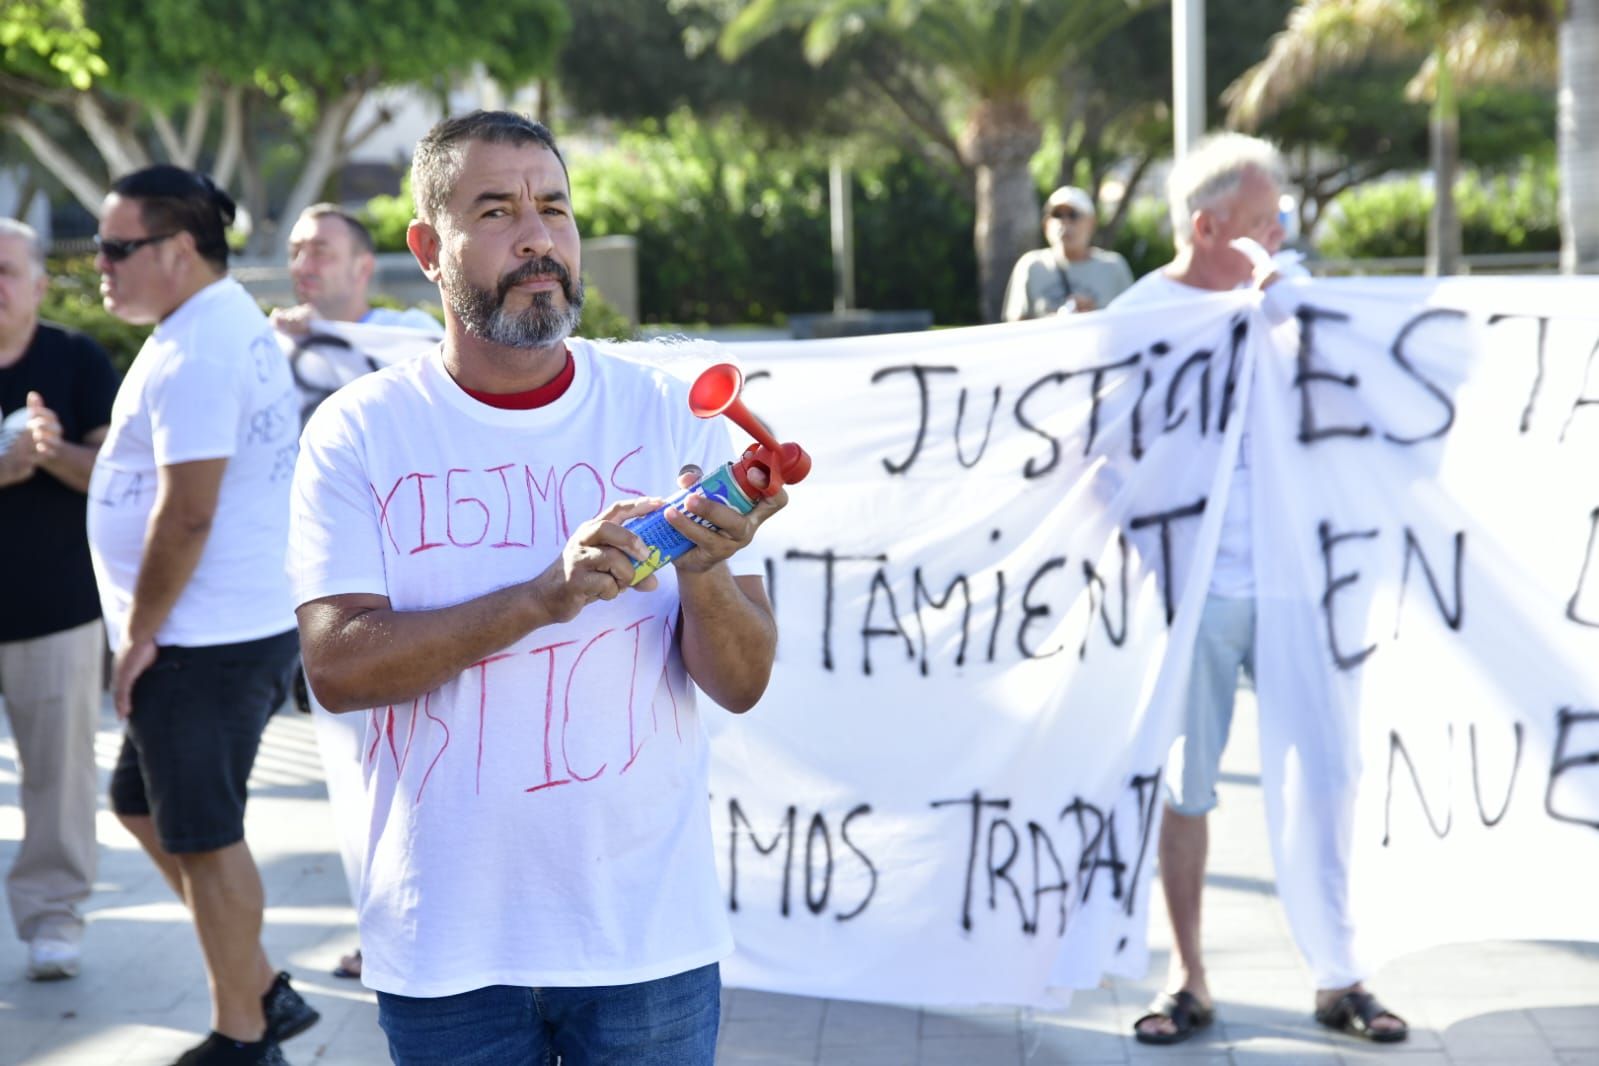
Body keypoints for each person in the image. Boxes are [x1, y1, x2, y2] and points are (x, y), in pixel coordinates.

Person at [289, 110, 784, 1066]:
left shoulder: (666, 411)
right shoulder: (358, 432)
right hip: (447, 947)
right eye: (498, 211)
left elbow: (744, 680)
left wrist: (705, 573)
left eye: (554, 208)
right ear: (429, 249)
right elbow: (337, 667)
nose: (537, 237)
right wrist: (542, 598)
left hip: (646, 940)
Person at [1110, 132, 1408, 1047]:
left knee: (1326, 776)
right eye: (1263, 219)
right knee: (1185, 785)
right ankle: (1187, 977)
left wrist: (1293, 315)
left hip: (1300, 589)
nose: (1280, 230)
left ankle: (1339, 974)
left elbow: (1369, 404)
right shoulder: (1136, 317)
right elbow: (1094, 456)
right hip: (1193, 596)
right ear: (1207, 227)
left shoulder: (1293, 304)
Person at [87, 165, 319, 1066]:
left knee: (208, 837)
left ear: (177, 251)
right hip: (222, 630)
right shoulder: (208, 324)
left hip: (200, 641)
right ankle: (259, 986)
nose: (100, 263)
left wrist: (140, 636)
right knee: (140, 801)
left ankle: (244, 1034)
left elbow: (187, 511)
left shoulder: (197, 349)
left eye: (117, 247)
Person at [0, 218, 118, 982]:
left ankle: (54, 919)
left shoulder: (75, 358)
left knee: (61, 777)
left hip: (58, 608)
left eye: (7, 270)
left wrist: (48, 452)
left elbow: (116, 475)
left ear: (41, 283)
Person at [269, 203, 441, 336]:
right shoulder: (277, 339)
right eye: (294, 253)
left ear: (363, 268)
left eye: (320, 253)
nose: (300, 267)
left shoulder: (410, 333)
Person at [1001, 185, 1134, 320]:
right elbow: (1015, 327)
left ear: (1091, 223)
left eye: (1073, 215)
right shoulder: (1031, 266)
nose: (1064, 222)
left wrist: (1092, 317)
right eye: (1057, 215)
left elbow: (1130, 322)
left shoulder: (1113, 266)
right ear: (1046, 224)